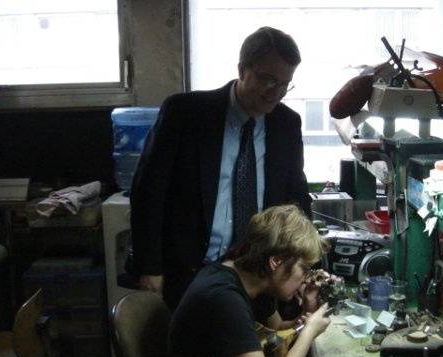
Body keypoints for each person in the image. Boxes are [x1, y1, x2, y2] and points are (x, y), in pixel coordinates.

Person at [130, 26, 311, 310]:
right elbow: (148, 192)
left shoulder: (286, 124)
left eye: (285, 84)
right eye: (268, 79)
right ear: (242, 69)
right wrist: (150, 267)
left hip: (258, 277)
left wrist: (304, 267)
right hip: (190, 270)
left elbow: (297, 199)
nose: (276, 93)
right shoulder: (186, 113)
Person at [167, 204, 331, 357]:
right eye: (304, 269)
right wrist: (309, 333)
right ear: (275, 262)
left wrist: (307, 308)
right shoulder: (224, 299)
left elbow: (278, 328)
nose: (305, 278)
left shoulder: (246, 276)